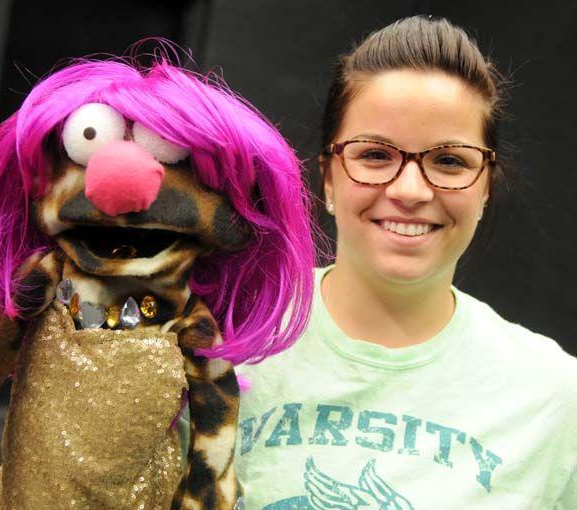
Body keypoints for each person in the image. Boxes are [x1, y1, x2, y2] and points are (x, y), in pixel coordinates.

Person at [234, 15, 577, 509]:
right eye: (375, 155)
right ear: (329, 178)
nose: (410, 190)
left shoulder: (553, 398)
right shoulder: (227, 336)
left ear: (485, 187)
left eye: (450, 161)